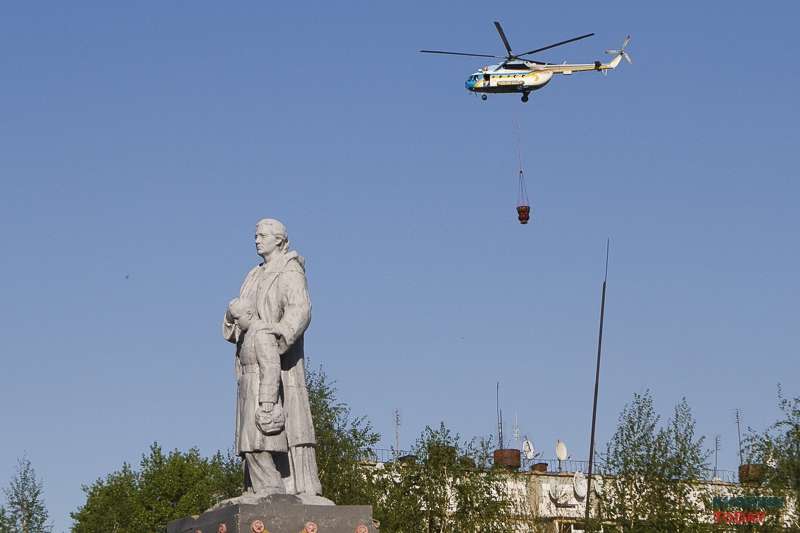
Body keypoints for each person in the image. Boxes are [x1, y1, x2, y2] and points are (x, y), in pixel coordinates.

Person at [223, 218, 322, 497]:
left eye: (262, 235)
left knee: (280, 421)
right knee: (253, 432)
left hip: (281, 361)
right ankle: (260, 486)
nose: (256, 240)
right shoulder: (253, 274)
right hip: (251, 362)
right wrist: (231, 317)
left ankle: (293, 486)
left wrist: (278, 333)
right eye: (255, 236)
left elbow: (300, 309)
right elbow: (241, 315)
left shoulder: (290, 270)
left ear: (279, 239)